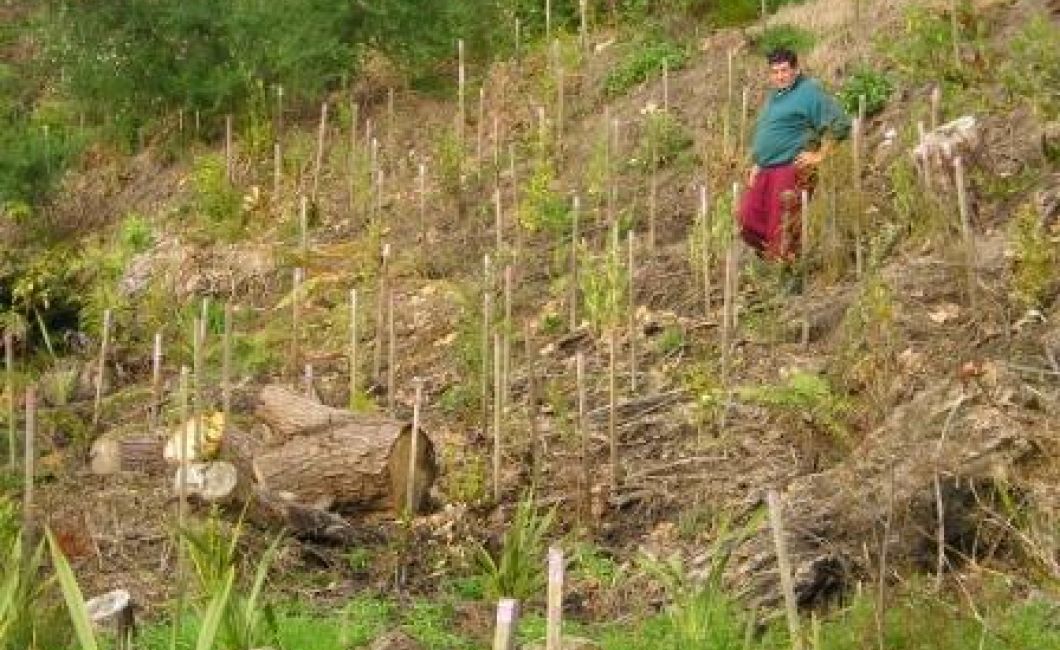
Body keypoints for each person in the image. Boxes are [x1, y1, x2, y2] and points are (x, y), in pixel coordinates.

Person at [738, 47, 851, 261]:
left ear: (796, 70)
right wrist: (757, 164)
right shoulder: (775, 96)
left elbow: (840, 123)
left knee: (783, 227)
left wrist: (821, 154)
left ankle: (790, 273)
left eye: (784, 70)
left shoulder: (809, 92)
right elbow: (769, 131)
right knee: (748, 217)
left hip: (790, 168)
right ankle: (775, 260)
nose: (780, 76)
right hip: (766, 170)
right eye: (775, 72)